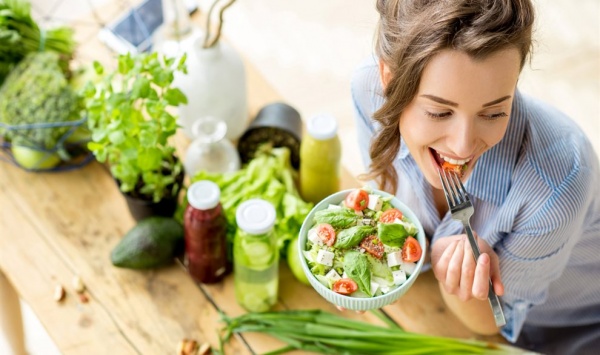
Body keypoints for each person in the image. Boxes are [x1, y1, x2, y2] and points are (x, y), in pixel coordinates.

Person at [351, 0, 600, 354]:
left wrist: (455, 269)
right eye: (439, 112)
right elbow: (389, 211)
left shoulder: (559, 183)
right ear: (389, 80)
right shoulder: (367, 90)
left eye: (495, 112)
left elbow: (492, 322)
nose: (464, 145)